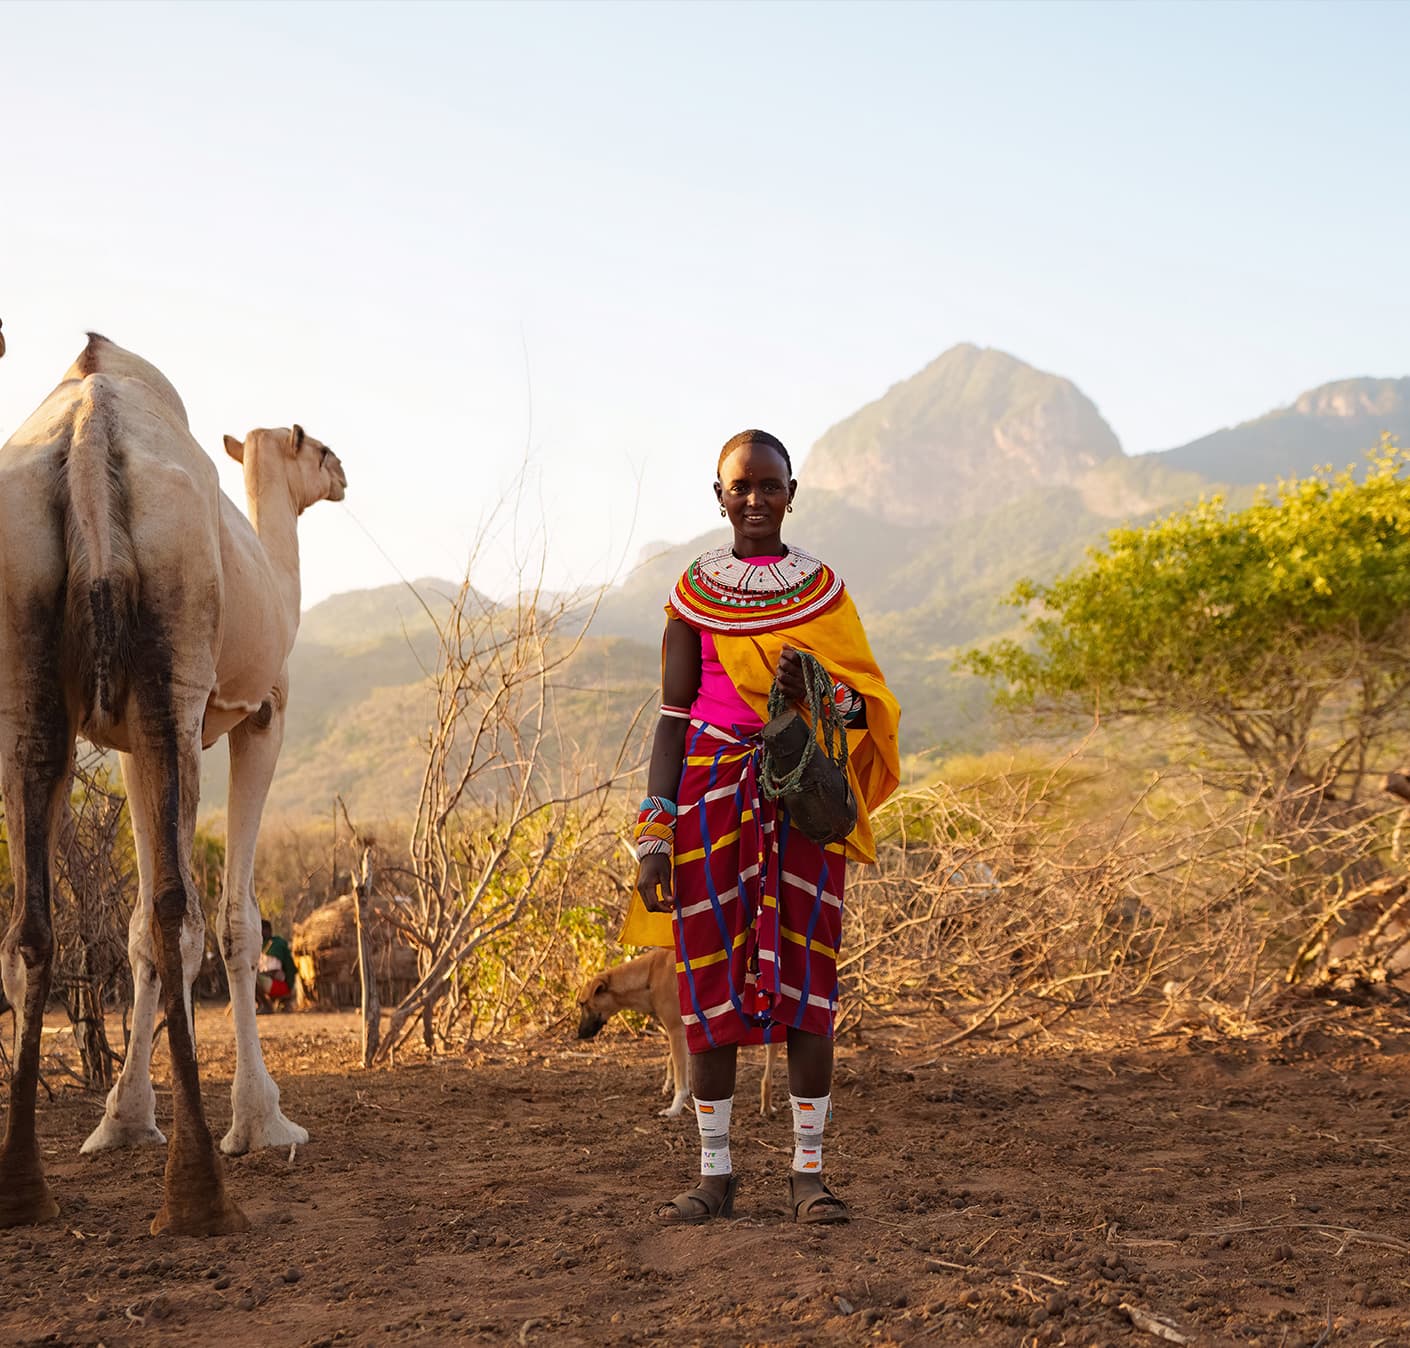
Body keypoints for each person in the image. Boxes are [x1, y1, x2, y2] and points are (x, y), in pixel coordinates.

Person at [619, 428, 900, 1225]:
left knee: (808, 986)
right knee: (708, 988)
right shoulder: (690, 596)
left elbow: (860, 707)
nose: (754, 499)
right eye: (739, 487)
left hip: (799, 797)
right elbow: (672, 721)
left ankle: (808, 1175)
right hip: (709, 797)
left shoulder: (824, 594)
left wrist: (810, 683)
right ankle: (716, 1176)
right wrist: (653, 835)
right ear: (718, 496)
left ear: (790, 493)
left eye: (768, 486)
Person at [256, 918, 296, 1013]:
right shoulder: (262, 946)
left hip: (279, 985)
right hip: (270, 983)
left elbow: (274, 971)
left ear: (267, 930)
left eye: (261, 930)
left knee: (252, 979)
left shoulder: (276, 945)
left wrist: (257, 974)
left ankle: (265, 1006)